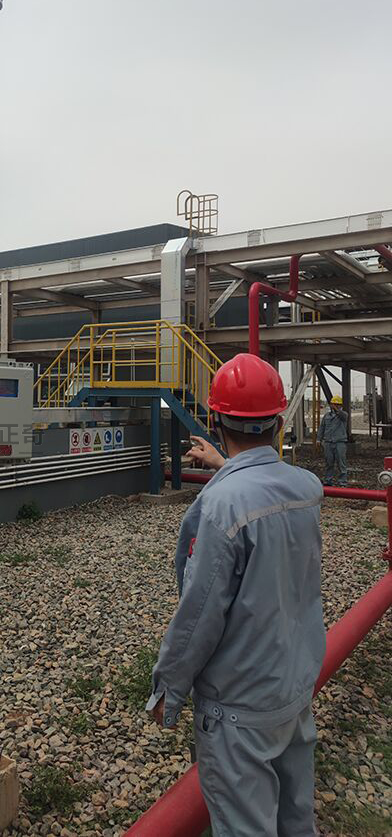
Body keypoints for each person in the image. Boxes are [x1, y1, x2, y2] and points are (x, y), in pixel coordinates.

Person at [146, 352, 326, 837]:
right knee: (296, 821)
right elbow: (262, 487)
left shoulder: (222, 505)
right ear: (278, 422)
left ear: (216, 420)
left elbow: (200, 612)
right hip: (292, 691)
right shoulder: (307, 489)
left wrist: (169, 687)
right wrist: (225, 464)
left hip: (240, 708)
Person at [317, 394, 348, 486]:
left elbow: (343, 416)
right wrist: (319, 439)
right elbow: (322, 428)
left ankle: (342, 482)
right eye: (334, 404)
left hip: (340, 442)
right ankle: (328, 480)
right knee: (329, 463)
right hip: (328, 443)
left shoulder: (343, 415)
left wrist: (337, 410)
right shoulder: (327, 416)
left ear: (341, 406)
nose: (335, 406)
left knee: (341, 463)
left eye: (337, 405)